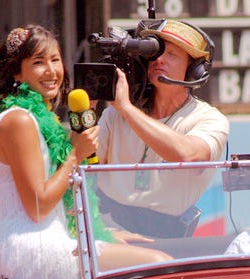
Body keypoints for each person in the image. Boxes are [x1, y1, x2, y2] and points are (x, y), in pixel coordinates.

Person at [0, 25, 170, 279]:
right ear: (17, 72)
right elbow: (38, 205)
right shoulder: (19, 121)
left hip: (52, 239)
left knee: (146, 258)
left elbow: (59, 206)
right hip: (31, 252)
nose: (51, 70)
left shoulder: (41, 119)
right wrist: (75, 154)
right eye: (38, 63)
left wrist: (105, 235)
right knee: (158, 266)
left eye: (55, 60)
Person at [95, 19, 229, 238]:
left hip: (167, 236)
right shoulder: (115, 113)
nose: (159, 60)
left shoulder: (210, 118)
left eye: (172, 55)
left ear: (193, 69)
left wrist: (127, 109)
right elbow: (83, 162)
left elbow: (190, 157)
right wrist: (87, 112)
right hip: (109, 228)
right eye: (155, 54)